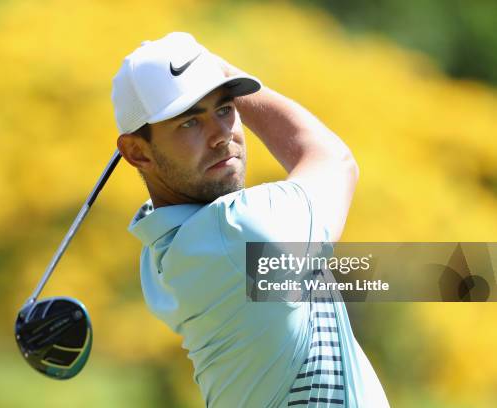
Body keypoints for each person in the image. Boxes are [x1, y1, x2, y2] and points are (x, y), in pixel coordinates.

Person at [112, 32, 389, 407]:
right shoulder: (240, 231)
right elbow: (332, 159)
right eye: (190, 123)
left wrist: (205, 73)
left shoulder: (158, 249)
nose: (221, 136)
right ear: (136, 152)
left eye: (225, 109)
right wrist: (220, 68)